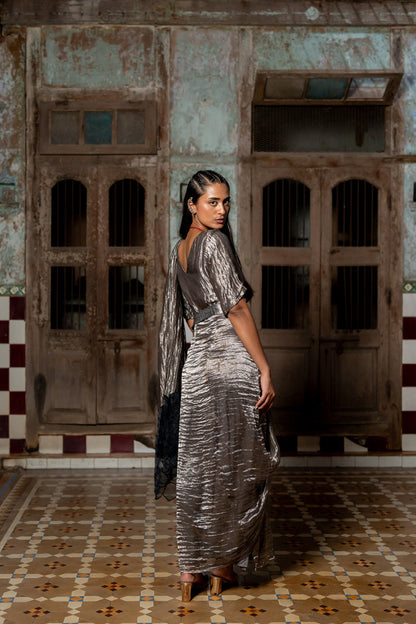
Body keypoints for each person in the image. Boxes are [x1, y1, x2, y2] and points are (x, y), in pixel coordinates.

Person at [154, 170, 279, 602]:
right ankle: (222, 565)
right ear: (192, 205)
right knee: (240, 467)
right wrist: (263, 367)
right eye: (212, 202)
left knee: (199, 470)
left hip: (198, 368)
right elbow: (237, 309)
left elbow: (189, 319)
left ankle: (192, 568)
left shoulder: (180, 251)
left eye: (226, 202)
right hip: (231, 363)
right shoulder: (213, 242)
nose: (222, 210)